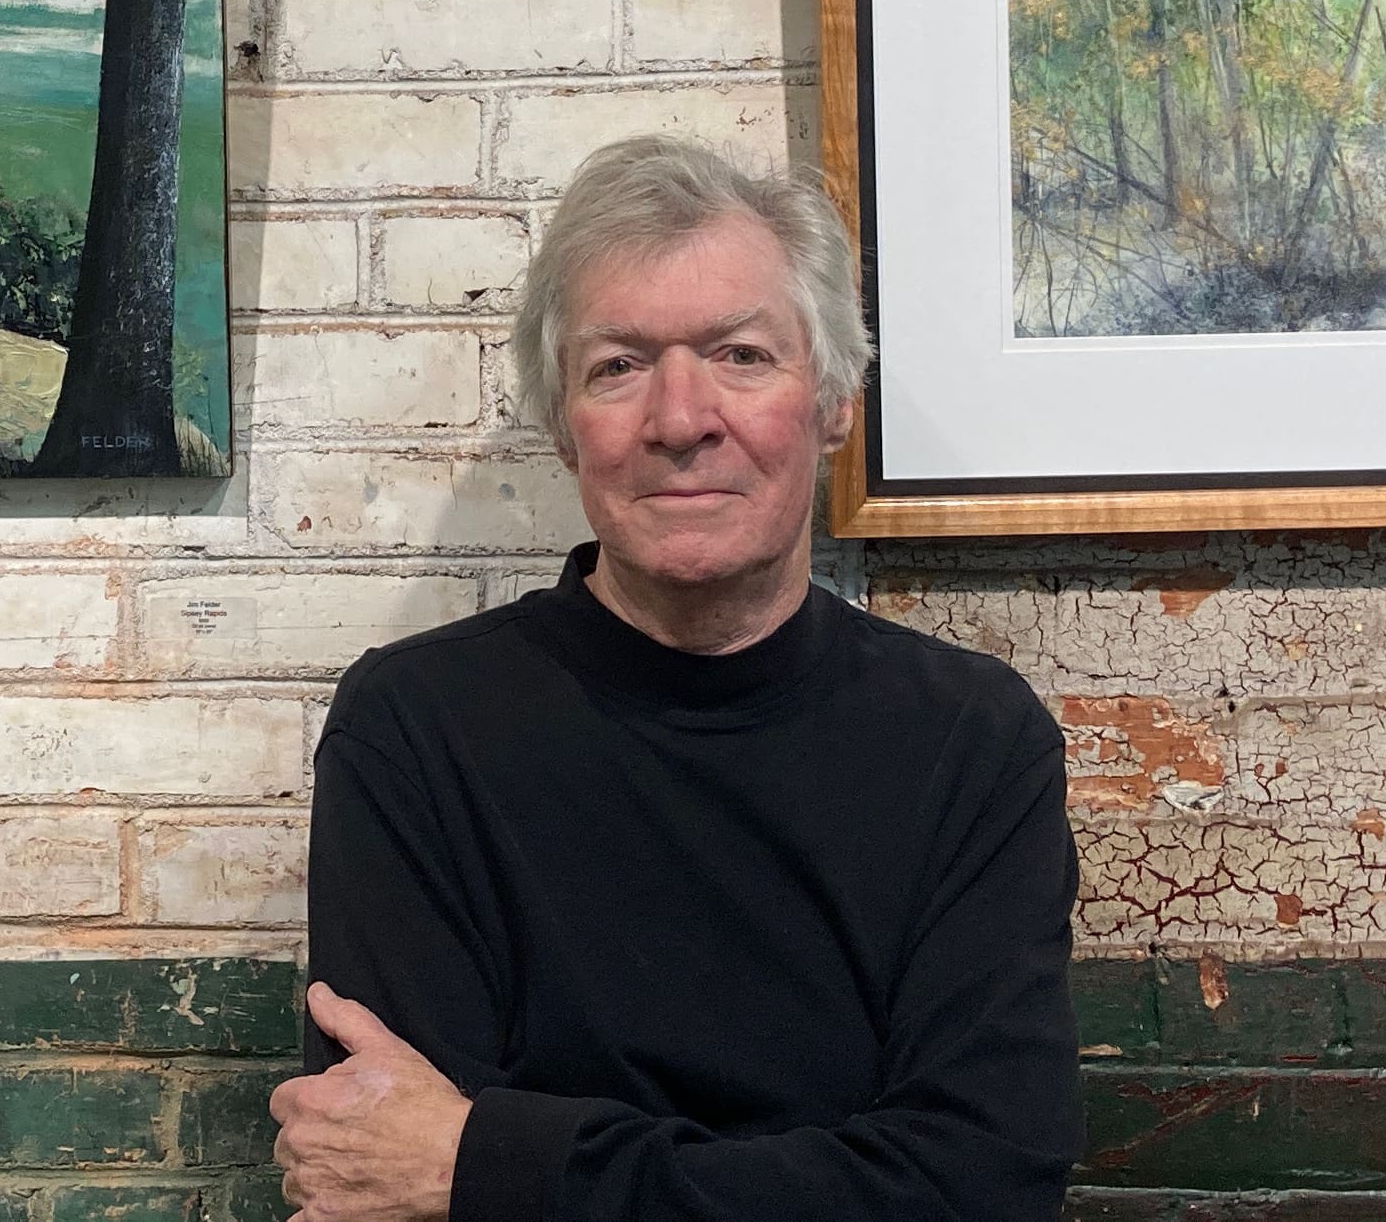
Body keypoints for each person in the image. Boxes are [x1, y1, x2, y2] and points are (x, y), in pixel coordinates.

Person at [269, 136, 1085, 1222]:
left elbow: (983, 1186)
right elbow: (378, 1180)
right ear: (565, 428)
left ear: (834, 401)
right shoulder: (415, 733)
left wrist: (492, 1166)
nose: (681, 419)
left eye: (741, 355)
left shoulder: (973, 741)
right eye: (619, 366)